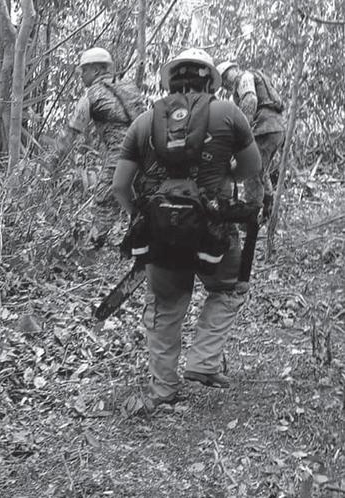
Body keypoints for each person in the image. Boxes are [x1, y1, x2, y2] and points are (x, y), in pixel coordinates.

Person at [112, 48, 262, 406]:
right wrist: (225, 175)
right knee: (229, 289)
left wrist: (140, 216)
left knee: (165, 307)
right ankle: (203, 362)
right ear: (210, 82)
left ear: (170, 82)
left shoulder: (145, 121)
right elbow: (252, 167)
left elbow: (119, 186)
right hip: (215, 231)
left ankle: (164, 388)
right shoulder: (229, 114)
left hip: (162, 234)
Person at [63, 47, 144, 249]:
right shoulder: (130, 87)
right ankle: (142, 237)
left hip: (122, 154)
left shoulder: (90, 96)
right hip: (149, 151)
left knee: (104, 200)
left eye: (84, 70)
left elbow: (72, 132)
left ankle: (93, 246)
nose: (81, 75)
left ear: (97, 70)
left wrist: (55, 159)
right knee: (143, 196)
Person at [216, 61, 286, 221]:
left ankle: (252, 216)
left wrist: (242, 131)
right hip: (275, 128)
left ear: (235, 69)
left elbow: (250, 100)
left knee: (251, 170)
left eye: (226, 76)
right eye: (223, 81)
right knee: (261, 169)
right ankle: (267, 212)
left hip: (265, 128)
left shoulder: (244, 77)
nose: (226, 82)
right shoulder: (245, 82)